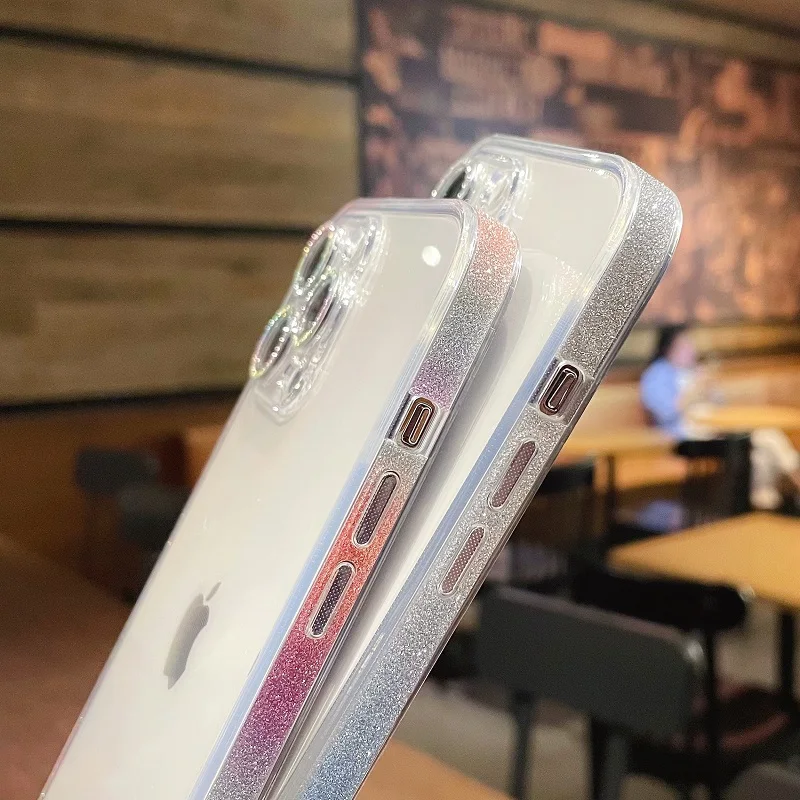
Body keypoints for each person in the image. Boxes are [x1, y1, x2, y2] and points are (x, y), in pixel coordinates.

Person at [640, 325, 800, 511]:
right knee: (765, 440)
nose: (692, 349)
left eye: (691, 344)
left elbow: (720, 408)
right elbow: (666, 412)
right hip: (686, 439)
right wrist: (694, 390)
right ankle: (767, 500)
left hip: (717, 431)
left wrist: (710, 388)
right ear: (669, 348)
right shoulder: (657, 374)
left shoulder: (695, 371)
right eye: (686, 345)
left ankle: (761, 503)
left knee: (764, 444)